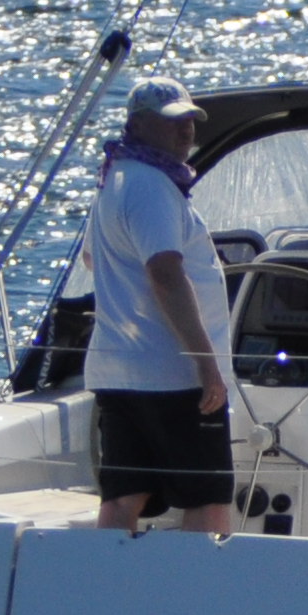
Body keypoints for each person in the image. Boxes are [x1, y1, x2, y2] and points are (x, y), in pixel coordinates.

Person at [81, 76, 238, 533]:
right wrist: (206, 363)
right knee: (208, 504)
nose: (186, 130)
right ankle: (198, 601)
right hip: (173, 377)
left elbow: (94, 258)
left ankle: (112, 591)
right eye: (173, 122)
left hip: (120, 372)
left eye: (190, 120)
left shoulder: (115, 179)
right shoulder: (152, 186)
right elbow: (166, 274)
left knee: (124, 498)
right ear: (138, 126)